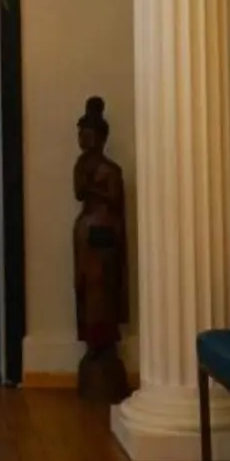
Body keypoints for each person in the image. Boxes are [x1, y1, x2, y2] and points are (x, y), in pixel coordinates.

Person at [73, 96, 129, 401]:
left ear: (101, 137)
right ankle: (91, 341)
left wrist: (94, 184)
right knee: (83, 287)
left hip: (103, 232)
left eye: (88, 134)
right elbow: (78, 193)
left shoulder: (111, 170)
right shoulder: (82, 165)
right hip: (85, 232)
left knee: (101, 289)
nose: (83, 140)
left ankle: (103, 342)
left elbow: (114, 200)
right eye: (80, 135)